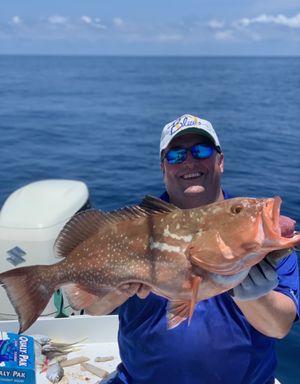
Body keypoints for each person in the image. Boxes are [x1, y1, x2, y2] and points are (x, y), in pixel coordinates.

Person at [87, 114, 299, 384]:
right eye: (176, 155)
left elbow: (279, 327)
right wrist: (115, 292)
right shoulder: (135, 230)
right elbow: (92, 308)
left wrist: (254, 296)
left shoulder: (261, 236)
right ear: (163, 168)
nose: (189, 161)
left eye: (202, 151)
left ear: (220, 161)